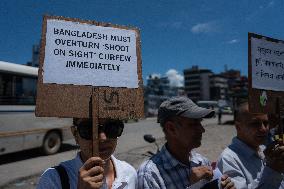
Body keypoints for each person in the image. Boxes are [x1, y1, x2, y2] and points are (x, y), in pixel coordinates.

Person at [138, 96, 235, 189]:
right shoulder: (150, 174)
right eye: (193, 124)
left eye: (200, 122)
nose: (202, 129)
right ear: (171, 129)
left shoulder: (202, 161)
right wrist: (194, 186)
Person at [37, 118, 137, 189]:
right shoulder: (53, 180)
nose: (102, 138)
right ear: (75, 134)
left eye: (112, 128)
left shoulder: (129, 173)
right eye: (89, 129)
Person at [217, 102, 284, 189]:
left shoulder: (264, 150)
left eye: (266, 123)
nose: (263, 129)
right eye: (255, 124)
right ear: (238, 127)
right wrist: (273, 169)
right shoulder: (229, 159)